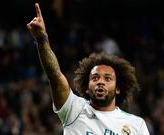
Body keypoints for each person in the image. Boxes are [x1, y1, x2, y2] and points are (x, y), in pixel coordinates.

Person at [27, 3, 150, 135]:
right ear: (87, 87)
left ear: (117, 88)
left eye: (107, 78)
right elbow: (54, 75)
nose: (100, 82)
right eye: (95, 78)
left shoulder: (136, 125)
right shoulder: (74, 109)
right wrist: (41, 39)